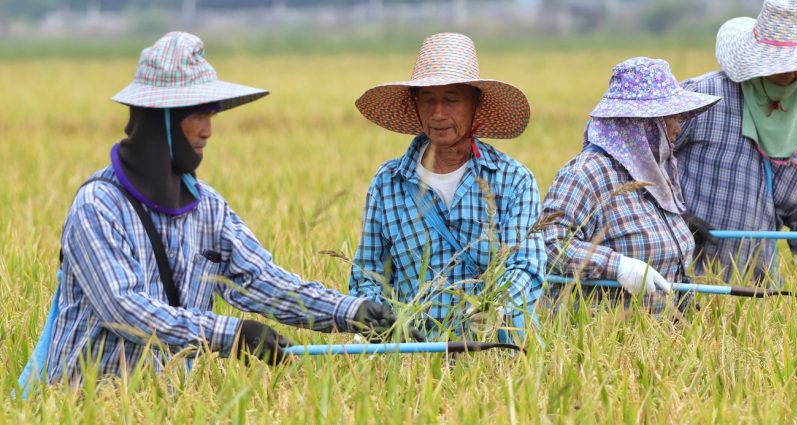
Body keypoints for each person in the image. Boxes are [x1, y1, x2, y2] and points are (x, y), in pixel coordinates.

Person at [18, 32, 406, 391]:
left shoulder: (207, 208)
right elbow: (125, 309)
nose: (207, 131)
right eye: (196, 115)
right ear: (161, 120)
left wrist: (352, 311)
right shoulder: (99, 206)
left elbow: (263, 282)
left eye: (211, 115)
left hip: (162, 405)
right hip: (84, 403)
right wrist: (231, 335)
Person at [349, 33, 545, 343]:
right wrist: (375, 322)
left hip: (493, 349)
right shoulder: (388, 182)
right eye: (428, 99)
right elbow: (368, 273)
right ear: (415, 105)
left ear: (475, 104)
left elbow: (527, 266)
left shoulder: (513, 180)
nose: (438, 113)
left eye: (451, 99)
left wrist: (494, 309)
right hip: (414, 353)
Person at [674, 0, 797, 282]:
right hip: (684, 282)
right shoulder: (702, 100)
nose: (792, 73)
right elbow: (641, 159)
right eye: (783, 63)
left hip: (758, 293)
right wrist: (674, 216)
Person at [541, 57, 720, 314]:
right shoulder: (587, 173)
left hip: (664, 336)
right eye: (670, 116)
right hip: (604, 339)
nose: (678, 126)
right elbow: (548, 243)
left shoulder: (658, 171)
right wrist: (618, 266)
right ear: (640, 123)